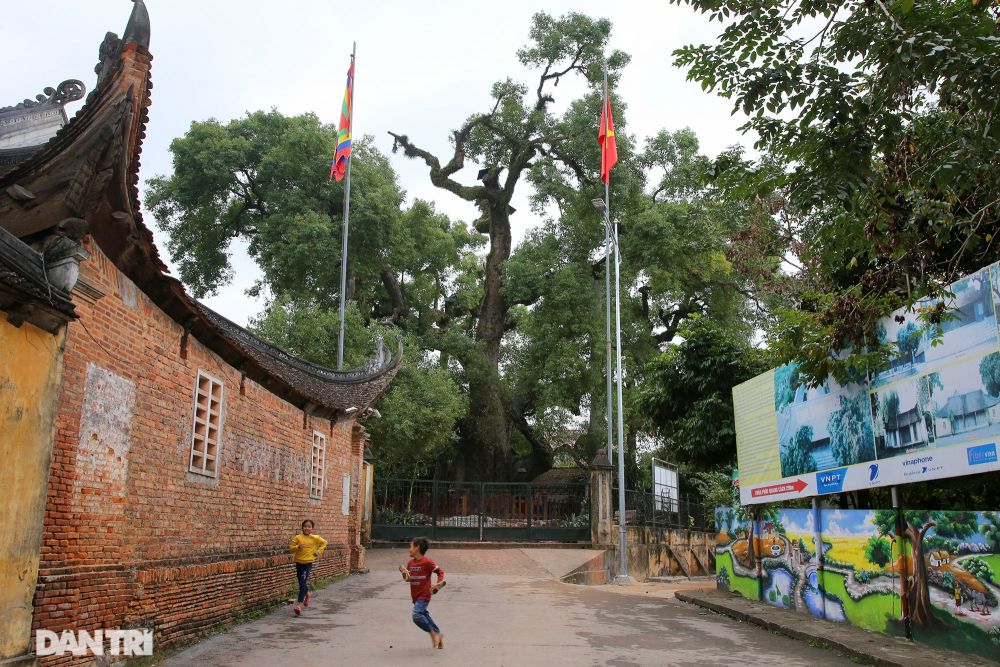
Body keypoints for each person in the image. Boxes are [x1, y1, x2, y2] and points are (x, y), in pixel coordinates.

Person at [399, 537, 446, 648]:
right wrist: (406, 575)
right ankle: (439, 635)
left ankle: (432, 633)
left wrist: (438, 584)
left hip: (424, 594)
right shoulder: (410, 563)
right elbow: (411, 578)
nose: (409, 549)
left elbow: (440, 572)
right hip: (415, 595)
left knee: (416, 615)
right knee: (424, 614)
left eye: (411, 546)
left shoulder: (427, 562)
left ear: (417, 548)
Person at [289, 519, 327, 616]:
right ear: (302, 527)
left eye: (309, 526)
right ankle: (308, 594)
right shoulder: (298, 538)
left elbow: (325, 543)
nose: (307, 528)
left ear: (312, 528)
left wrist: (318, 552)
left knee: (302, 583)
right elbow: (290, 548)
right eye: (305, 526)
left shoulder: (315, 538)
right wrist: (297, 547)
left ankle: (299, 605)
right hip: (299, 563)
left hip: (307, 564)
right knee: (302, 583)